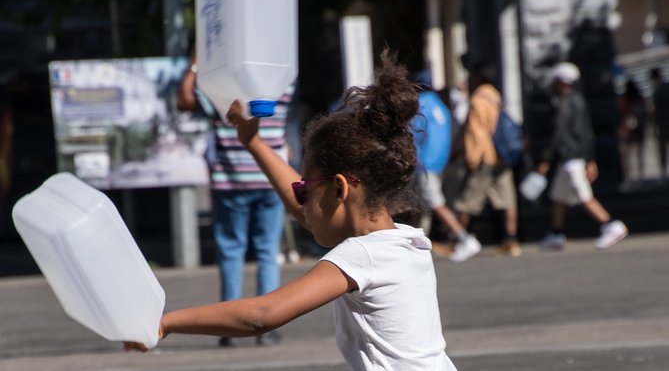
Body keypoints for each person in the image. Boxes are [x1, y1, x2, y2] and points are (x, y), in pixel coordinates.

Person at [126, 50, 459, 370]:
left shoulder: (363, 255)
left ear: (340, 188)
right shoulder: (404, 242)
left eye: (306, 190)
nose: (301, 203)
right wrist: (254, 143)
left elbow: (262, 315)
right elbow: (308, 211)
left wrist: (166, 323)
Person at [176, 50, 293, 347]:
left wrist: (196, 60)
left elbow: (184, 99)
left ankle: (229, 326)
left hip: (231, 181)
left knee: (231, 251)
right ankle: (267, 325)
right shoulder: (281, 82)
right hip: (271, 178)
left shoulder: (221, 89)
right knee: (267, 251)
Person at [537, 62, 628, 251]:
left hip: (572, 155)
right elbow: (586, 132)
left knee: (583, 195)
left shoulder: (567, 102)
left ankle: (610, 224)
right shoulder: (575, 99)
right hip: (572, 156)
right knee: (559, 196)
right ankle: (556, 233)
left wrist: (546, 158)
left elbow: (561, 132)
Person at [452, 66, 522, 257]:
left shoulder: (477, 100)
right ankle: (511, 240)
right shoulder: (495, 96)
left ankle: (457, 240)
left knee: (467, 200)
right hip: (502, 156)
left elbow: (475, 133)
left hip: (485, 156)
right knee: (507, 200)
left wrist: (472, 160)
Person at [411, 70, 480, 262]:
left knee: (436, 203)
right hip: (440, 161)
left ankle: (464, 238)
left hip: (424, 162)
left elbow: (413, 133)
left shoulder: (420, 104)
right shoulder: (440, 104)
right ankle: (417, 246)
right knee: (422, 204)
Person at [618, 79, 648, 181]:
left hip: (628, 128)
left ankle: (628, 173)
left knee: (628, 153)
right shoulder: (639, 99)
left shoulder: (625, 100)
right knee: (639, 152)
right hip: (638, 127)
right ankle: (641, 172)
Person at [651, 67, 669, 179]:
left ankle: (663, 170)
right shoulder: (667, 87)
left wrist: (655, 126)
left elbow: (655, 111)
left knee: (662, 149)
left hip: (662, 124)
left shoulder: (657, 91)